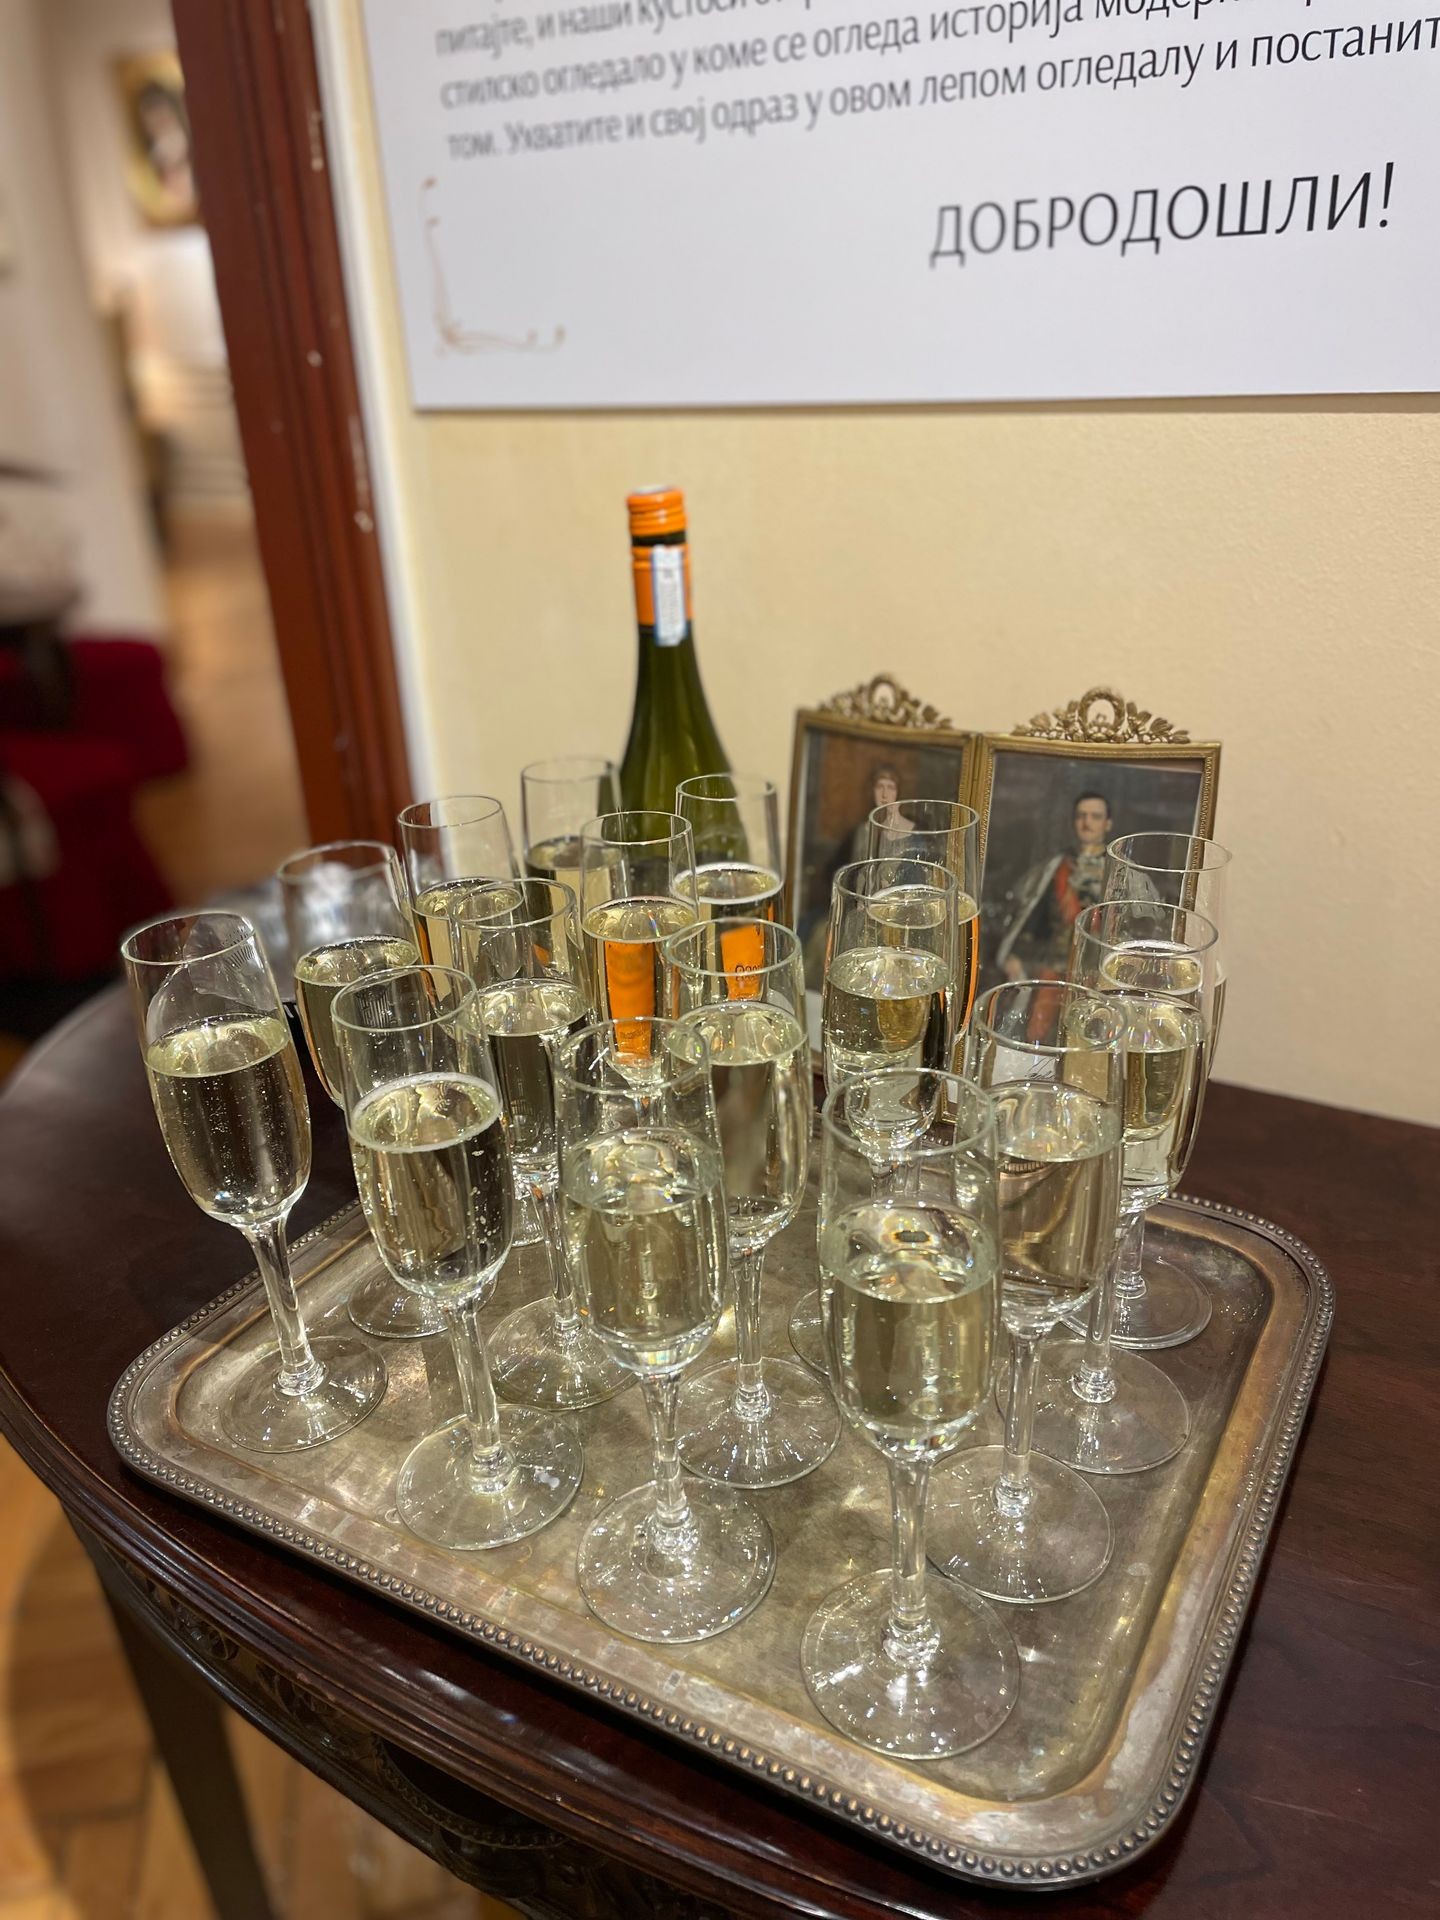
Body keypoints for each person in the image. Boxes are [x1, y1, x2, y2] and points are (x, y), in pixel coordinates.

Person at [995, 790, 1113, 983]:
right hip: (1054, 964)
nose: (1087, 823)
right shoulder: (1054, 867)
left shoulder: (1117, 871)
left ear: (1107, 824)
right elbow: (1032, 917)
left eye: (1095, 817)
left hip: (1098, 967)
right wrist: (1015, 955)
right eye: (1081, 816)